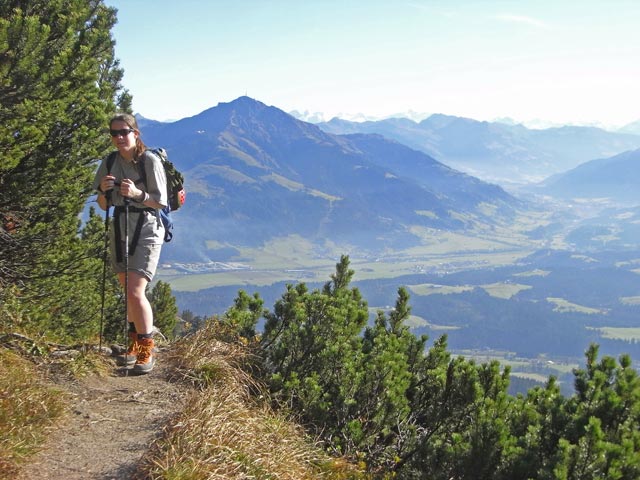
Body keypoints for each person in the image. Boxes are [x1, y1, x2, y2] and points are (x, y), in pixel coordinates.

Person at [94, 113, 167, 374]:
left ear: (135, 133)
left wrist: (137, 194)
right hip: (120, 227)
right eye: (114, 133)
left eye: (124, 132)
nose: (119, 138)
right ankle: (135, 347)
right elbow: (103, 204)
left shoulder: (149, 161)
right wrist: (103, 190)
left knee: (135, 290)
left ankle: (146, 350)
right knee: (127, 290)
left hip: (147, 227)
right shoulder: (110, 162)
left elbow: (161, 201)